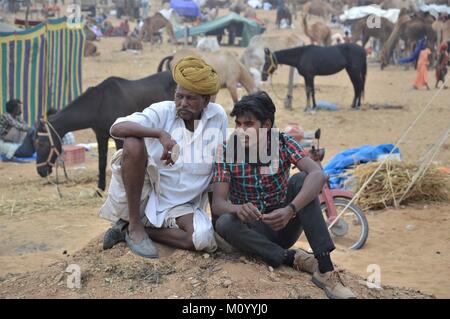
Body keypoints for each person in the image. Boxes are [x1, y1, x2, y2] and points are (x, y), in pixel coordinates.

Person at [211, 91, 356, 299]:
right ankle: (290, 258)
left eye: (249, 124)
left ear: (267, 125)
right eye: (238, 124)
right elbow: (217, 204)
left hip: (284, 223)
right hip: (253, 229)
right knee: (224, 222)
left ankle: (325, 269)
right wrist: (238, 208)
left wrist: (290, 209)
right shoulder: (225, 150)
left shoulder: (283, 143)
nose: (241, 130)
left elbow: (318, 174)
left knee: (301, 179)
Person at [99, 56, 228, 258]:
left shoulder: (217, 116)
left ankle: (129, 231)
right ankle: (134, 225)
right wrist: (159, 134)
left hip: (181, 206)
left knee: (203, 238)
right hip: (146, 197)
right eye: (179, 96)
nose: (182, 103)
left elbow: (218, 169)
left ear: (206, 100)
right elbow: (117, 127)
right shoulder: (163, 111)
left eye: (190, 98)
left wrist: (218, 223)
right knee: (133, 142)